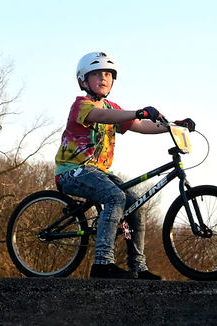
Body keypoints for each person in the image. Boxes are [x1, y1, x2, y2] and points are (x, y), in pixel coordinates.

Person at [54, 51, 195, 279]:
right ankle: (102, 264)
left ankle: (137, 267)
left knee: (135, 204)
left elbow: (141, 125)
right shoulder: (81, 106)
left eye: (108, 74)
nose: (103, 78)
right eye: (97, 74)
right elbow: (103, 116)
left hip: (99, 172)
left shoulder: (113, 108)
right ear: (83, 80)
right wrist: (137, 111)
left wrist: (173, 125)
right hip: (72, 171)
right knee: (116, 198)